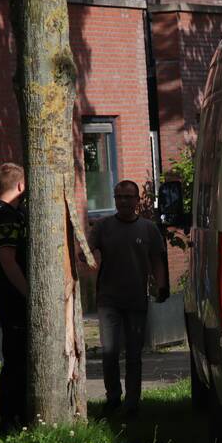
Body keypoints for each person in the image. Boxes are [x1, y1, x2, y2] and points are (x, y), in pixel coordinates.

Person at [87, 179, 169, 418]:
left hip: (136, 301)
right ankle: (113, 397)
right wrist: (85, 253)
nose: (123, 201)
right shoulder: (103, 227)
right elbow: (85, 252)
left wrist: (161, 285)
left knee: (134, 355)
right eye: (119, 197)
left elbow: (157, 260)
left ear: (137, 200)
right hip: (108, 300)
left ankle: (132, 403)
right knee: (110, 352)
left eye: (128, 197)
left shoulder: (148, 229)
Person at [0, 163, 28, 433]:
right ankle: (11, 416)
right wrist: (28, 294)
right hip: (13, 297)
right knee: (16, 357)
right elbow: (8, 260)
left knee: (16, 356)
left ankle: (13, 413)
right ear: (21, 186)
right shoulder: (7, 219)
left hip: (6, 294)